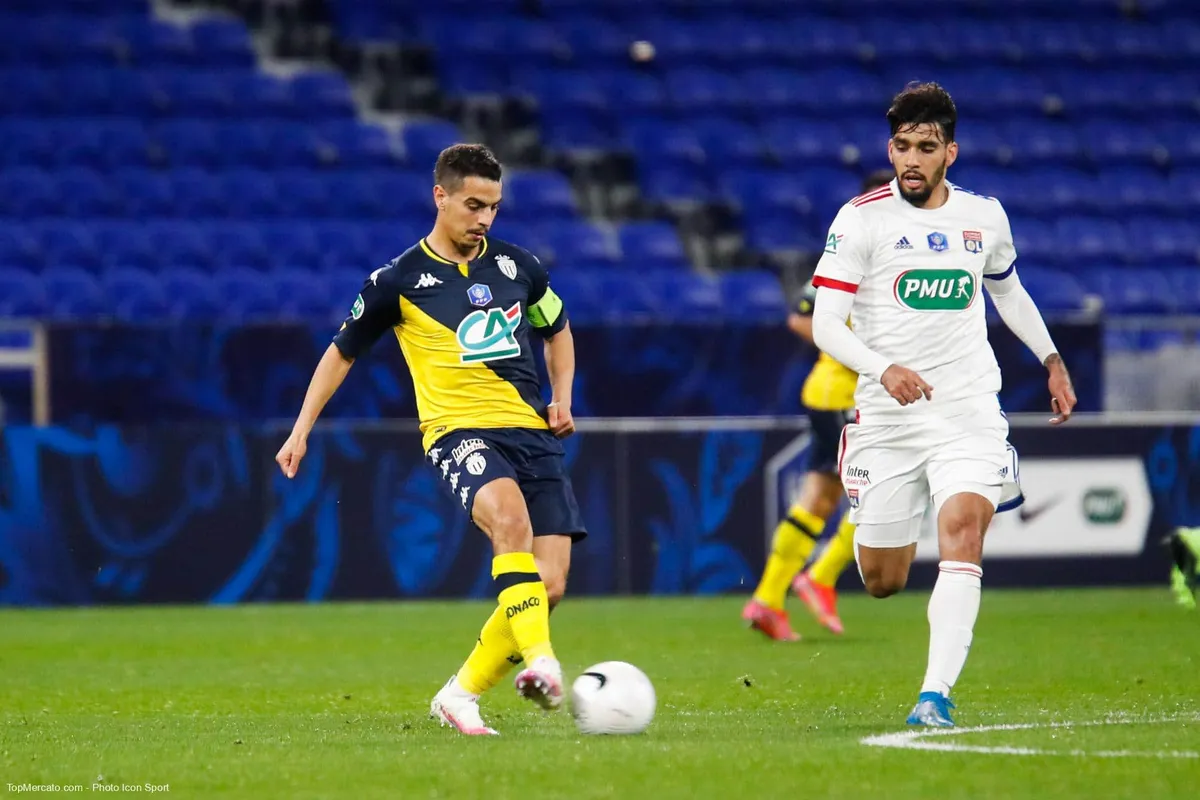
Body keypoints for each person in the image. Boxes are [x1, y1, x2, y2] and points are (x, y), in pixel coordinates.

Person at [274, 144, 586, 736]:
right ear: (439, 196)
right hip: (458, 430)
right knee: (509, 522)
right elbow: (341, 353)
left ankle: (459, 695)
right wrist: (301, 430)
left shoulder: (520, 267)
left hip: (530, 431)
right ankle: (545, 665)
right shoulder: (396, 281)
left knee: (550, 585)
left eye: (494, 207)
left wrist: (563, 394)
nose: (485, 219)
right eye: (473, 205)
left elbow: (559, 329)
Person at [809, 82, 1076, 727]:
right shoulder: (860, 219)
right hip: (887, 415)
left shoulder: (984, 217)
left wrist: (1051, 358)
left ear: (949, 153)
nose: (911, 159)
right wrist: (883, 368)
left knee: (962, 529)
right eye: (901, 145)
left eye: (925, 147)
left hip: (967, 408)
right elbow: (826, 325)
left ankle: (934, 697)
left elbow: (1008, 293)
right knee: (882, 578)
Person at [743, 169, 894, 641]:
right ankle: (821, 577)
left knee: (821, 498)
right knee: (886, 492)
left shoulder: (864, 249)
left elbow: (803, 316)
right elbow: (802, 320)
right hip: (848, 395)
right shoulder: (862, 253)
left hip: (829, 394)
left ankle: (768, 599)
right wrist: (855, 348)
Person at [1166, 527, 1200, 609]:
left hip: (1183, 540)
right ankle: (1187, 601)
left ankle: (1186, 600)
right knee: (1186, 573)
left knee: (1184, 573)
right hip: (1185, 542)